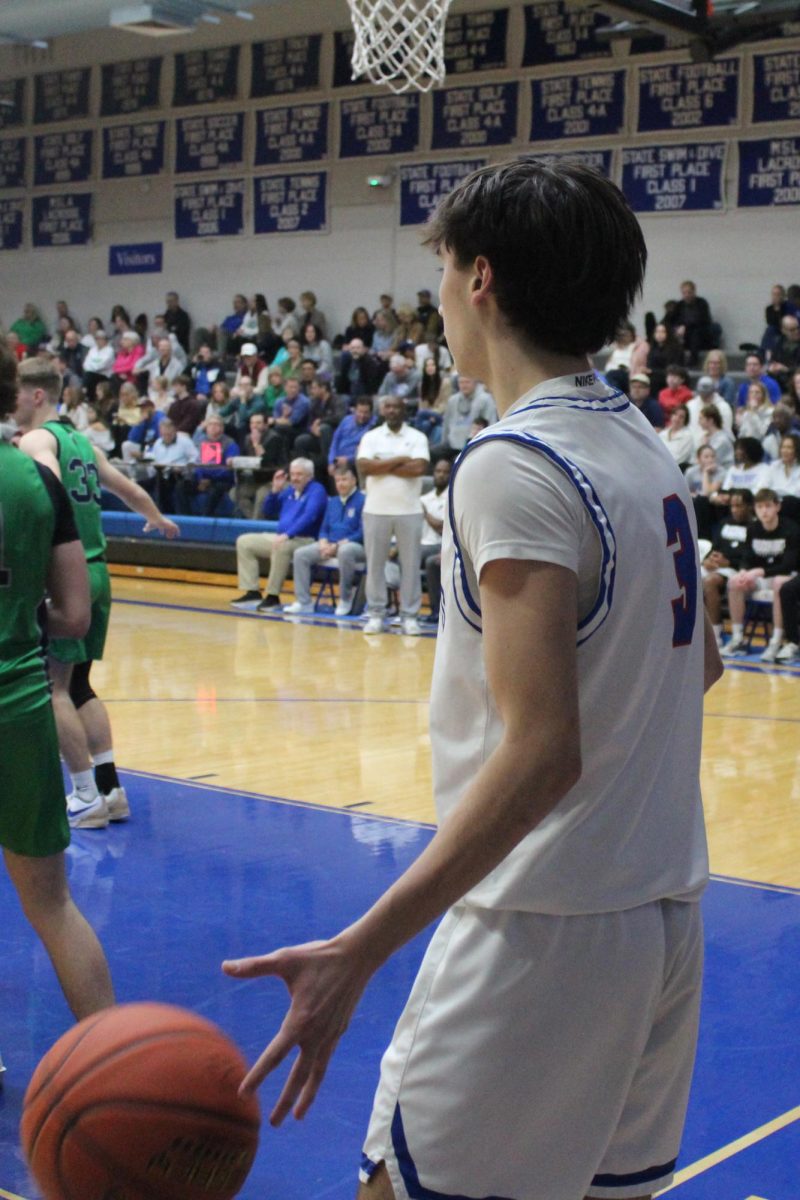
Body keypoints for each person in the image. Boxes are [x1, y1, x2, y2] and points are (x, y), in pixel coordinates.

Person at [223, 157, 722, 1200]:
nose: (439, 296)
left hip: (540, 931)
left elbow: (543, 752)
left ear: (480, 280)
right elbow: (700, 664)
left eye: (443, 270)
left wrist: (361, 948)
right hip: (662, 917)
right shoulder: (639, 439)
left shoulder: (512, 462)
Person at [0, 347, 115, 1020]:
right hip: (16, 699)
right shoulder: (37, 480)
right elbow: (73, 613)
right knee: (52, 906)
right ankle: (115, 1065)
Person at [15, 357, 179, 830]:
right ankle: (111, 788)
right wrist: (157, 517)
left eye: (18, 393)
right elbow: (128, 489)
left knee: (52, 688)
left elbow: (45, 484)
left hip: (68, 574)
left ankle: (84, 794)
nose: (12, 401)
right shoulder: (82, 442)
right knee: (80, 685)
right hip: (98, 570)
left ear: (38, 395)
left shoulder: (38, 440)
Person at [356, 396, 430, 636]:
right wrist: (399, 460)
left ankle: (410, 616)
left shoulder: (417, 437)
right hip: (376, 510)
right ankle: (377, 614)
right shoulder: (371, 437)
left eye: (396, 406)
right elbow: (365, 468)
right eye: (388, 406)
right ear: (382, 409)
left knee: (409, 566)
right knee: (375, 566)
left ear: (403, 410)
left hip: (409, 511)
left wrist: (382, 463)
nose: (392, 410)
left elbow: (419, 469)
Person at [230, 458, 327, 611]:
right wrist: (275, 491)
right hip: (283, 537)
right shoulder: (289, 491)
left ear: (310, 476)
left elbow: (310, 516)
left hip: (306, 540)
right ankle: (252, 592)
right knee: (244, 542)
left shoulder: (317, 490)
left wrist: (288, 535)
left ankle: (272, 596)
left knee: (281, 546)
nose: (295, 478)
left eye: (299, 474)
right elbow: (268, 511)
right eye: (293, 474)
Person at [721, 488, 800, 661]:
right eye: (759, 507)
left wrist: (759, 571)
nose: (764, 511)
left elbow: (788, 565)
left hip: (784, 575)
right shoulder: (753, 529)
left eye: (768, 506)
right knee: (734, 582)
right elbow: (746, 556)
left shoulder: (791, 529)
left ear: (777, 507)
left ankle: (776, 640)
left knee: (780, 583)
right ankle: (737, 638)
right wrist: (743, 571)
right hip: (760, 577)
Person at [284, 465, 366, 616]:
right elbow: (324, 528)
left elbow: (363, 532)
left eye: (345, 480)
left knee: (345, 551)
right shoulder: (332, 501)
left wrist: (337, 545)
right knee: (300, 554)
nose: (341, 484)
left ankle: (345, 598)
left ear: (354, 481)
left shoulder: (363, 500)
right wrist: (322, 541)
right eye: (338, 480)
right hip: (329, 544)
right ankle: (304, 602)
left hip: (354, 546)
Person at [701, 489, 755, 648]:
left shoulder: (755, 526)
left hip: (737, 569)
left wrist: (729, 563)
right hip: (719, 566)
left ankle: (715, 634)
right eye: (732, 506)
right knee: (688, 577)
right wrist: (708, 560)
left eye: (739, 506)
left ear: (749, 506)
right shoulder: (725, 523)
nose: (735, 510)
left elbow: (751, 556)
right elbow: (715, 547)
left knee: (710, 581)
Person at [419, 458, 451, 624]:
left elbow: (442, 528)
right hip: (422, 544)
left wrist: (426, 515)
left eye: (445, 472)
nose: (441, 475)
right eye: (438, 471)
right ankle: (393, 607)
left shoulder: (453, 498)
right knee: (399, 555)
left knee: (431, 562)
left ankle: (436, 611)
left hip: (440, 545)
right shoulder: (424, 498)